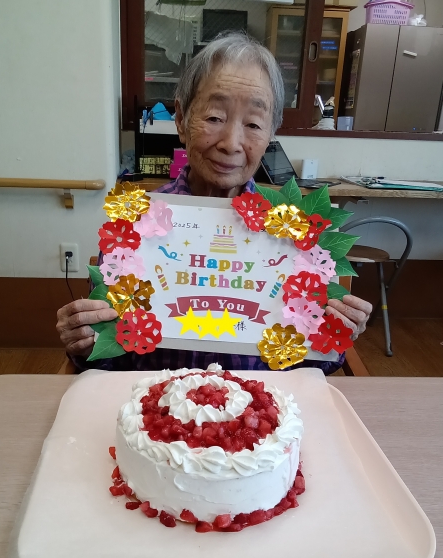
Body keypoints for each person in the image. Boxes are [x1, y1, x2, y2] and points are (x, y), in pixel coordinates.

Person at [56, 32, 371, 374]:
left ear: (271, 133)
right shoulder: (134, 227)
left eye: (253, 124)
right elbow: (108, 361)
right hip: (153, 402)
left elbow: (306, 372)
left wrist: (334, 333)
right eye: (214, 118)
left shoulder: (297, 236)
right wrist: (85, 341)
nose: (231, 143)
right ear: (180, 120)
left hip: (260, 404)